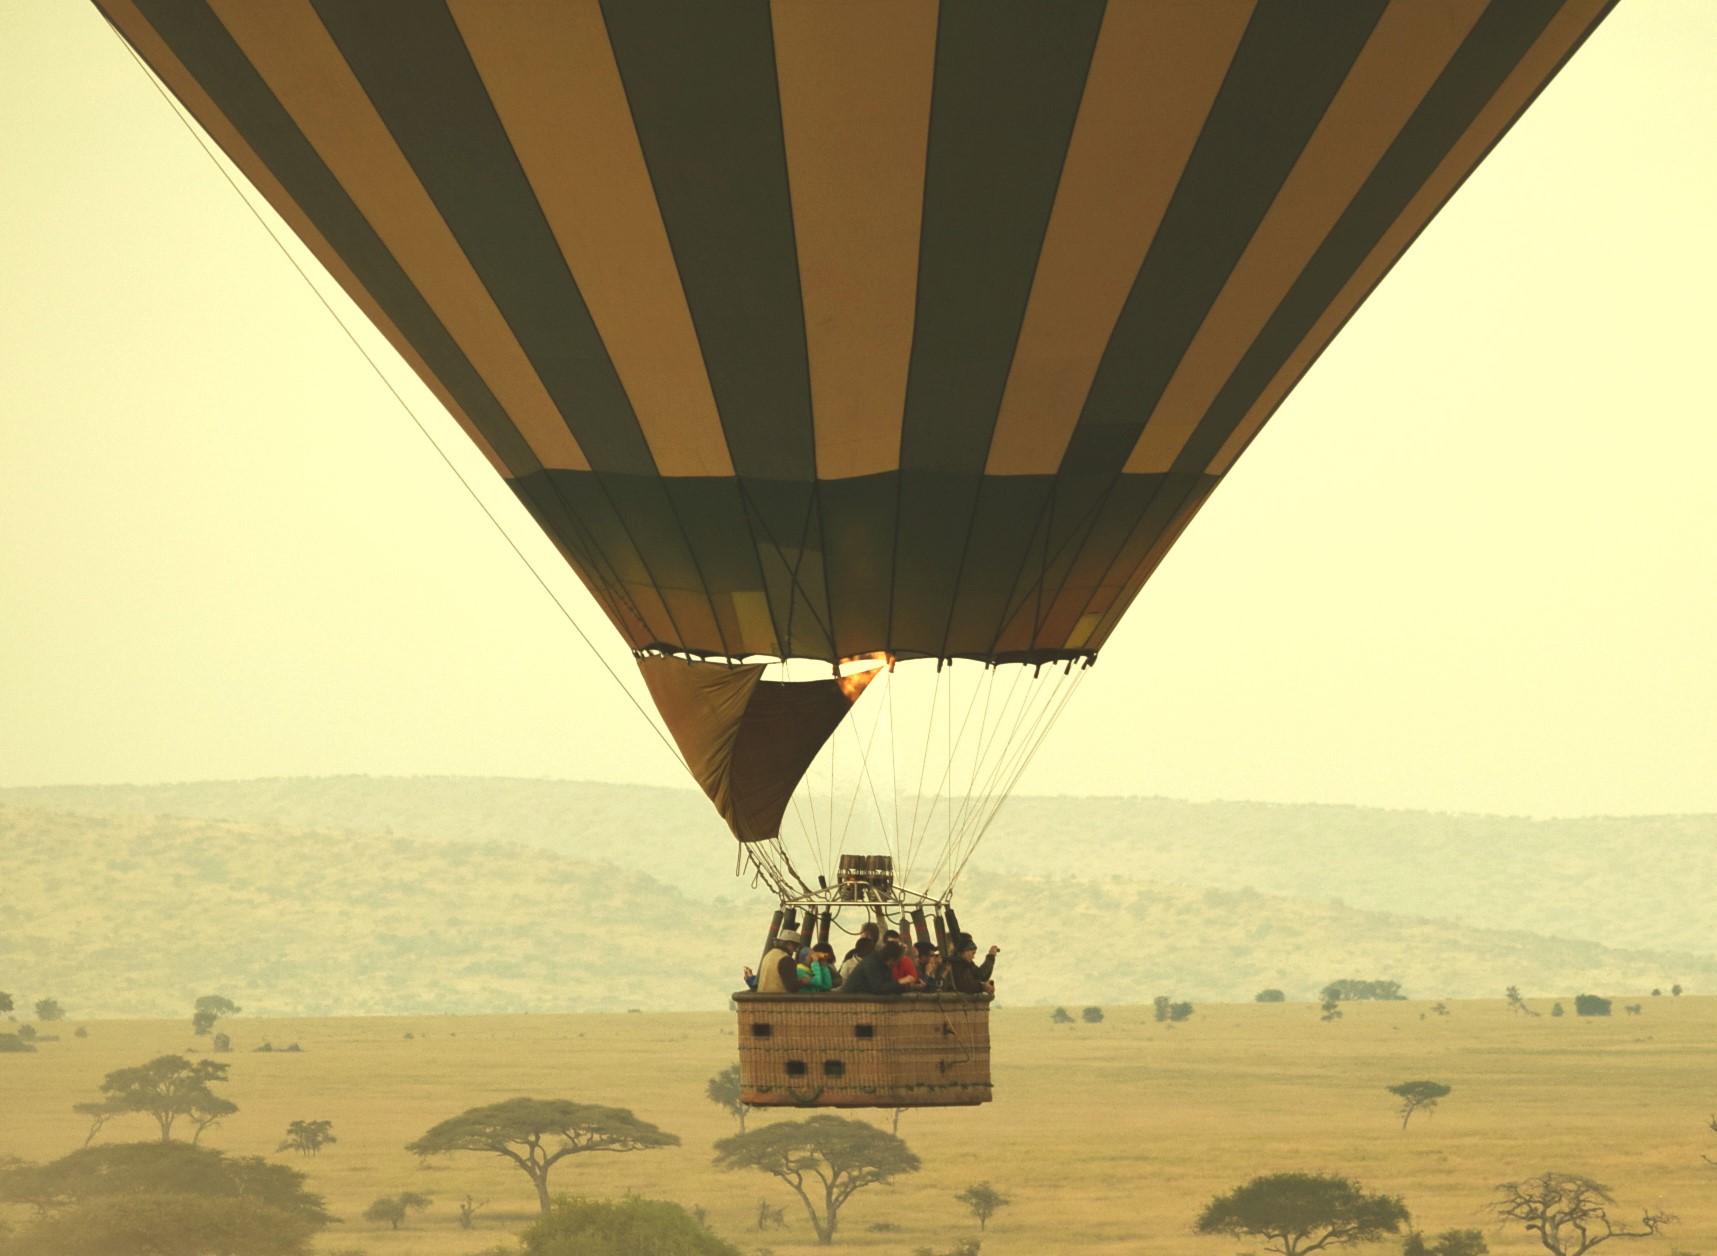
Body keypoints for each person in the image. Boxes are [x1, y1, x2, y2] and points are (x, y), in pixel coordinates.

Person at [842, 940, 921, 995]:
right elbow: (878, 988)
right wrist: (900, 981)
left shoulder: (886, 965)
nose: (899, 963)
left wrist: (909, 987)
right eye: (898, 960)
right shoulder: (871, 963)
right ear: (891, 959)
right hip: (853, 1002)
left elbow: (889, 986)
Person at [753, 929, 810, 994]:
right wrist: (803, 981)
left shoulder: (768, 955)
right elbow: (792, 987)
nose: (795, 950)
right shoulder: (786, 959)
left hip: (762, 999)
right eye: (795, 946)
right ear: (789, 944)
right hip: (778, 1001)